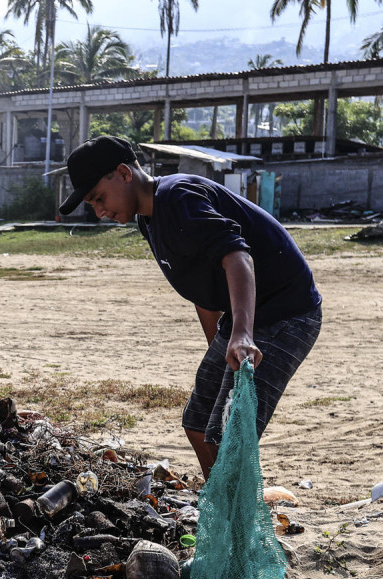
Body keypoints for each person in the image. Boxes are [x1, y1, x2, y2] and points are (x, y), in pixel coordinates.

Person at [58, 136, 322, 479]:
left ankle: (235, 521)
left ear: (123, 174)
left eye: (98, 198)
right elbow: (200, 286)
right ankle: (217, 503)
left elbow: (238, 257)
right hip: (246, 319)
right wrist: (220, 345)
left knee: (230, 432)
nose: (100, 211)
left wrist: (241, 335)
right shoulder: (149, 219)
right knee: (197, 423)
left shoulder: (178, 198)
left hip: (287, 312)